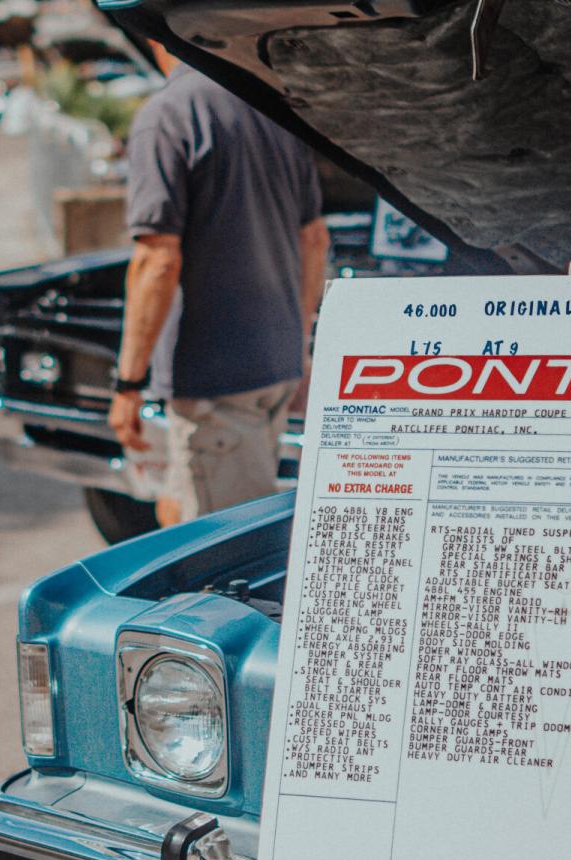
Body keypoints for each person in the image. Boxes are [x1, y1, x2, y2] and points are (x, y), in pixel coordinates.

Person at [107, 43, 329, 525]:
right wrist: (298, 343)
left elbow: (157, 260)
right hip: (273, 367)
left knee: (218, 549)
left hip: (214, 380)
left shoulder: (167, 115)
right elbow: (313, 239)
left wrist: (127, 384)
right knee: (187, 513)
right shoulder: (272, 108)